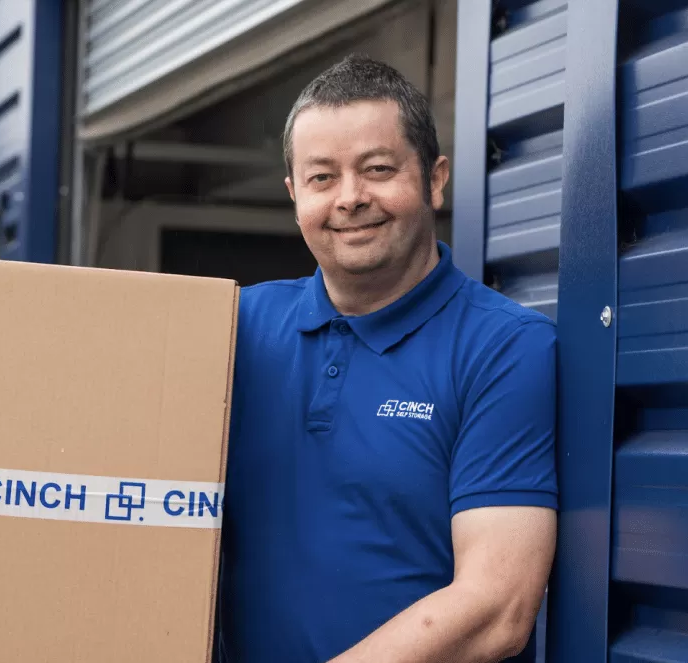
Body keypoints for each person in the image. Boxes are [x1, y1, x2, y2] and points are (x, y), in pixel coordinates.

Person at [216, 54, 558, 663]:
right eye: (322, 178)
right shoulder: (233, 327)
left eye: (377, 169)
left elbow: (498, 608)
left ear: (434, 178)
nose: (350, 198)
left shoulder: (504, 347)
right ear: (295, 195)